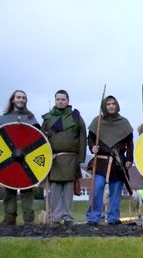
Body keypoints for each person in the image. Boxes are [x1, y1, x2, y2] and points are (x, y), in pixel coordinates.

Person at [0, 90, 41, 225]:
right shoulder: (4, 118)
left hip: (26, 159)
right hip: (9, 160)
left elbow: (38, 137)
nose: (21, 99)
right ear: (13, 100)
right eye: (18, 97)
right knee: (9, 189)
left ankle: (29, 220)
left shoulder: (31, 118)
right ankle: (9, 219)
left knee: (27, 190)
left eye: (23, 98)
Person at [85, 95, 133, 226]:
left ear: (117, 105)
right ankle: (93, 217)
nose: (111, 106)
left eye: (113, 103)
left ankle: (113, 217)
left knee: (116, 190)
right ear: (104, 106)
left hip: (118, 162)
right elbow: (90, 139)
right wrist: (92, 147)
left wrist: (129, 159)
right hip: (101, 161)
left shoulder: (124, 123)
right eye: (108, 104)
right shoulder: (97, 122)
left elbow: (130, 142)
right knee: (97, 188)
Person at [41, 90, 87, 226]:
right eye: (58, 99)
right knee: (54, 189)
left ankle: (67, 216)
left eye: (63, 99)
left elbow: (82, 138)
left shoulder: (75, 117)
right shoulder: (48, 118)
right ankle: (55, 217)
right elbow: (41, 139)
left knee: (68, 189)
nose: (60, 101)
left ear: (68, 101)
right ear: (55, 101)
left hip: (71, 159)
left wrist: (80, 159)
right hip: (54, 160)